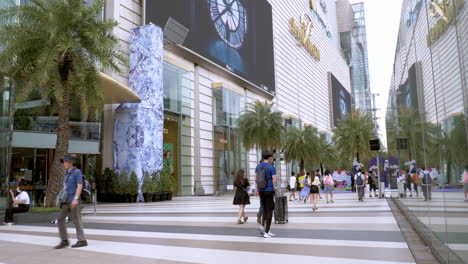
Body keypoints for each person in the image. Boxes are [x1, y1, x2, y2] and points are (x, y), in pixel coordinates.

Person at [55, 154, 88, 249]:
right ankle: (64, 241)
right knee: (60, 219)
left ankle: (82, 240)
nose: (64, 164)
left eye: (65, 162)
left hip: (74, 200)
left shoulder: (77, 172)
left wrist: (76, 198)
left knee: (76, 220)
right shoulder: (66, 173)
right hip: (66, 201)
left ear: (70, 162)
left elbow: (80, 186)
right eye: (63, 162)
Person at [256, 151, 277, 238]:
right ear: (269, 158)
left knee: (264, 208)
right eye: (271, 157)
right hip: (269, 190)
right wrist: (274, 187)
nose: (272, 158)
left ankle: (263, 227)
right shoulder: (271, 167)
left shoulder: (258, 166)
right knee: (270, 210)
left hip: (261, 190)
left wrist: (257, 189)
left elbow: (255, 178)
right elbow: (274, 180)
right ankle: (266, 232)